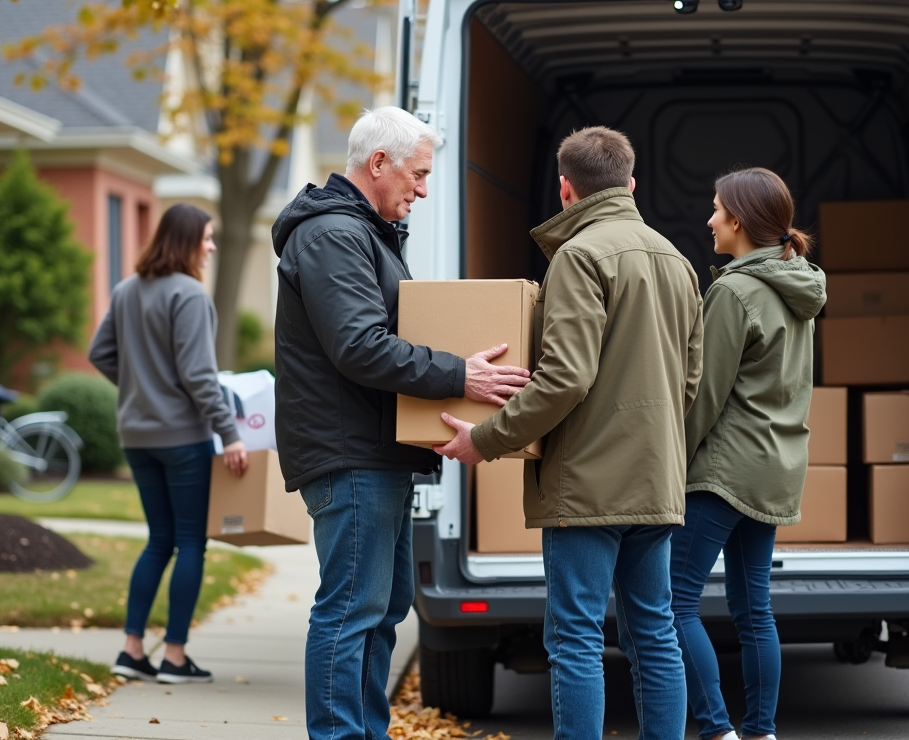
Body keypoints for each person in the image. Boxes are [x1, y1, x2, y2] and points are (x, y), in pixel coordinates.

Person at [271, 106, 532, 740]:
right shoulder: (334, 236)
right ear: (378, 163)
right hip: (349, 456)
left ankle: (364, 731)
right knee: (352, 611)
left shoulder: (363, 234)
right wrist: (459, 376)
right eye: (416, 174)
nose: (421, 189)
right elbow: (360, 346)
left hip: (371, 454)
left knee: (383, 608)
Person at [436, 126, 704, 740]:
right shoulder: (677, 260)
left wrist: (485, 439)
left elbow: (565, 379)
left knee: (577, 637)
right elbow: (691, 382)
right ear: (631, 184)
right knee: (656, 630)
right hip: (657, 479)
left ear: (565, 190)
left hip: (586, 486)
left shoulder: (578, 257)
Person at [669, 168, 825, 740]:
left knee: (672, 603)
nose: (708, 219)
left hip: (723, 471)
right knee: (753, 609)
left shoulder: (734, 290)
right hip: (776, 468)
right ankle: (760, 731)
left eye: (716, 210)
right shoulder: (797, 281)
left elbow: (705, 395)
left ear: (738, 221)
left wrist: (670, 463)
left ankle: (715, 730)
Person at [89, 203, 249, 685]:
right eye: (206, 237)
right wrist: (231, 433)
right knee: (189, 543)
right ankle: (174, 656)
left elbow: (100, 353)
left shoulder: (126, 290)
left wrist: (142, 389)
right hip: (183, 439)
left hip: (136, 438)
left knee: (159, 541)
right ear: (185, 241)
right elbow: (200, 377)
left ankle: (131, 648)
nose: (212, 246)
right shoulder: (190, 296)